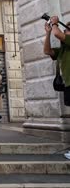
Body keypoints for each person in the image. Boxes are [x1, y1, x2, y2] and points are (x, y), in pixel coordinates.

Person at [43, 17, 70, 160]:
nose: (64, 31)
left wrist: (54, 23)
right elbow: (47, 51)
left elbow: (58, 34)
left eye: (66, 30)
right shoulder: (64, 49)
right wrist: (47, 32)